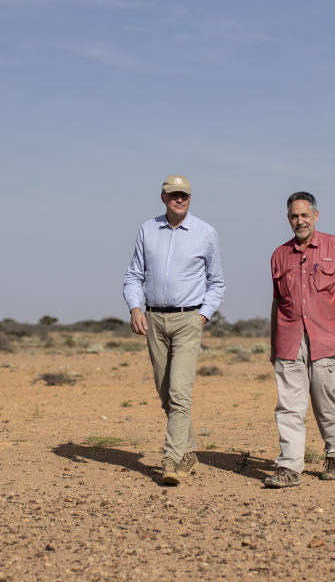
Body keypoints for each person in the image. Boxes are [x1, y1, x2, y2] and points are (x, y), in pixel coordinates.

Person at [123, 175, 225, 485]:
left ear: (190, 198)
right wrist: (135, 308)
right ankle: (189, 451)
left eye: (183, 195)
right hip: (154, 320)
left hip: (188, 320)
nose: (178, 199)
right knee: (167, 394)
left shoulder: (206, 233)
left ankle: (170, 458)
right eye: (172, 195)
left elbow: (216, 282)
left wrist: (203, 316)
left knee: (180, 393)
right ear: (163, 197)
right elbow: (133, 276)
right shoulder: (147, 229)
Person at [265, 191, 335, 488]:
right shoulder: (279, 255)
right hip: (289, 338)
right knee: (289, 405)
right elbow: (277, 301)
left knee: (324, 400)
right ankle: (290, 467)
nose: (299, 221)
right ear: (288, 218)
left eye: (305, 215)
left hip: (326, 339)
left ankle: (334, 452)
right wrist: (273, 342)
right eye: (294, 216)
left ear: (316, 216)